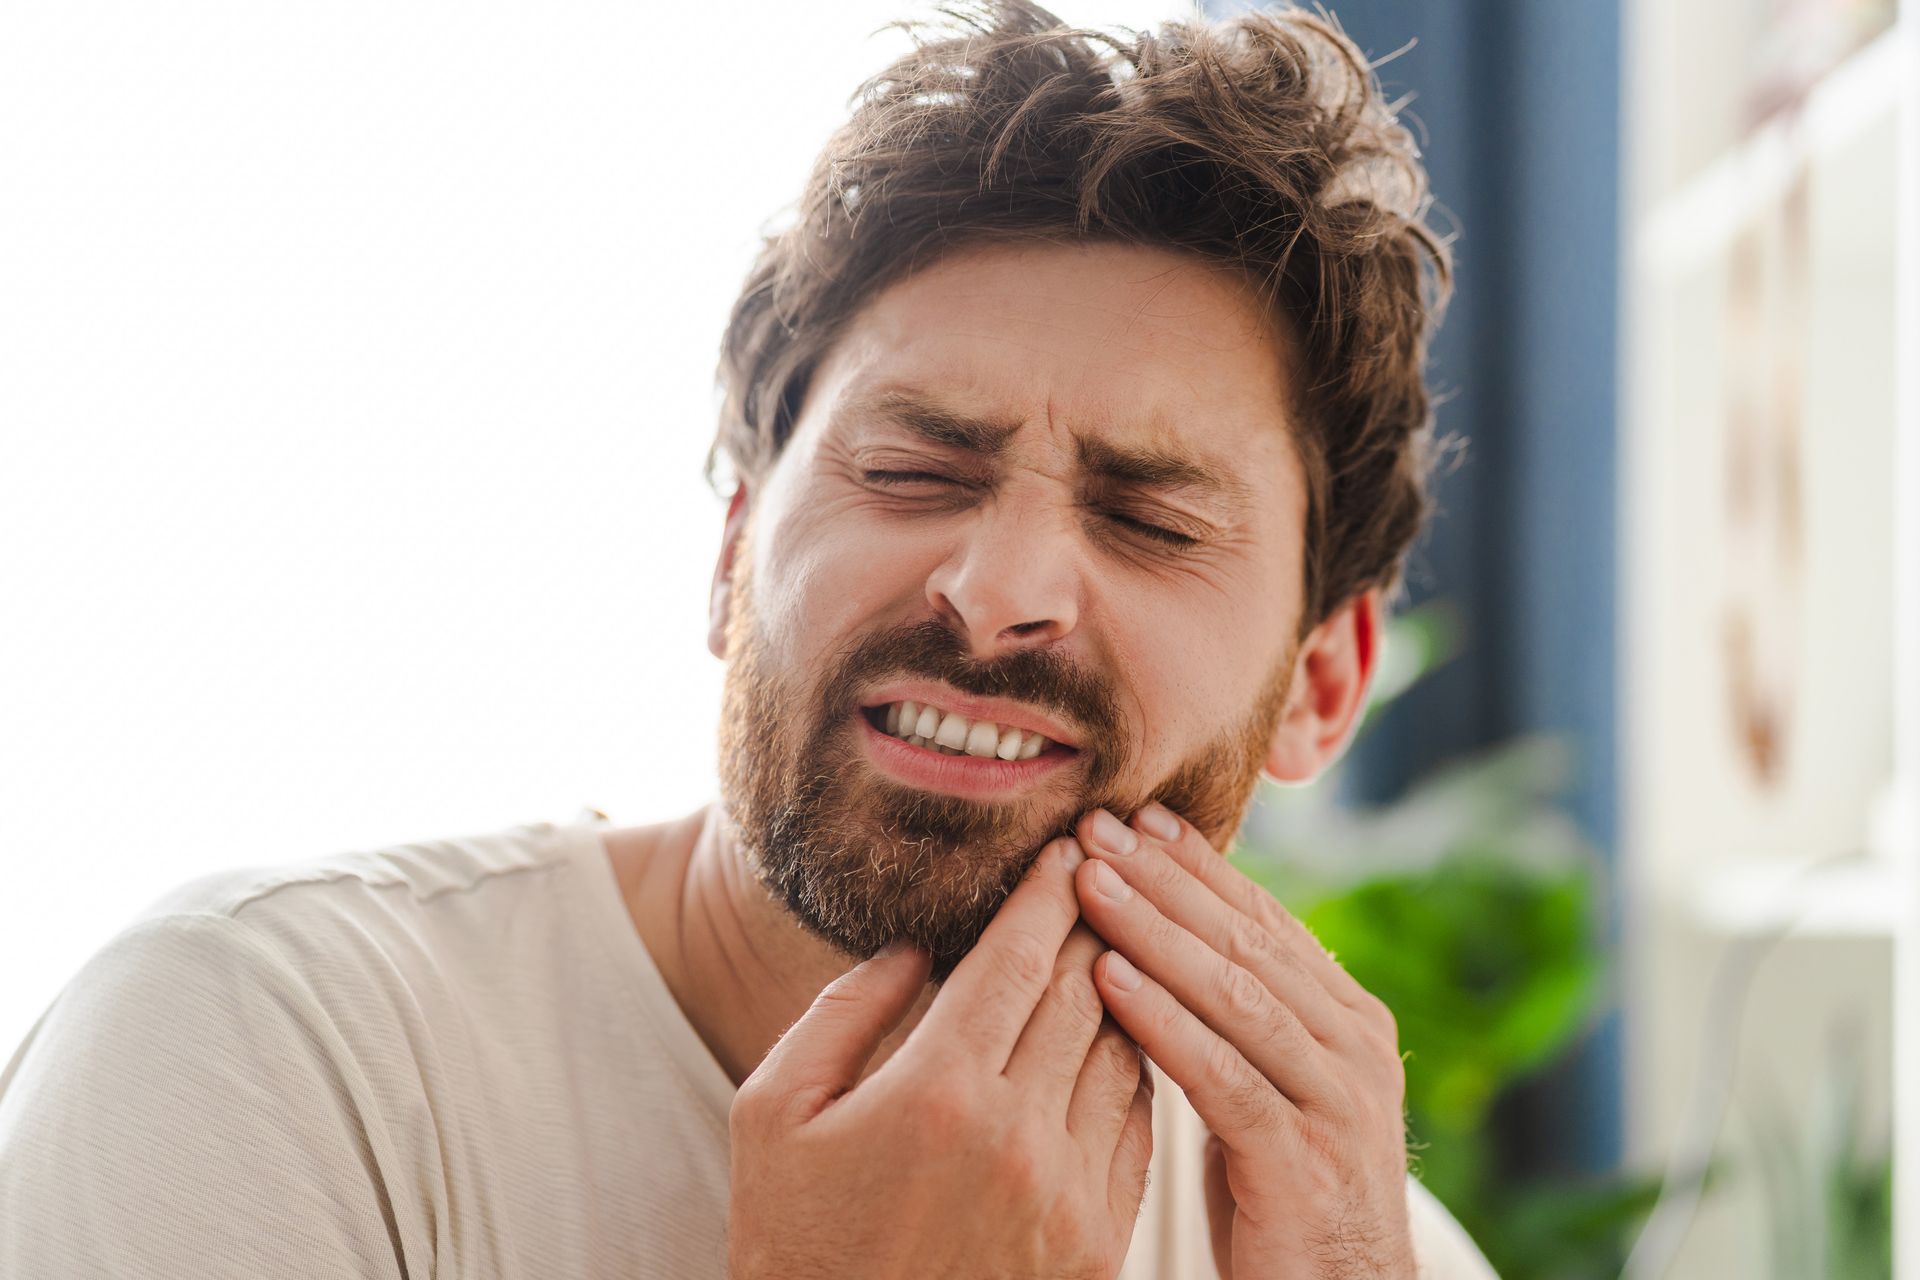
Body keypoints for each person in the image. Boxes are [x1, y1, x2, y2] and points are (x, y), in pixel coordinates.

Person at [0, 2, 1499, 1275]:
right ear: (730, 560)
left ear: (1320, 684)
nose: (996, 590)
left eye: (1154, 521)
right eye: (913, 470)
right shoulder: (259, 1054)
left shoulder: (1344, 1241)